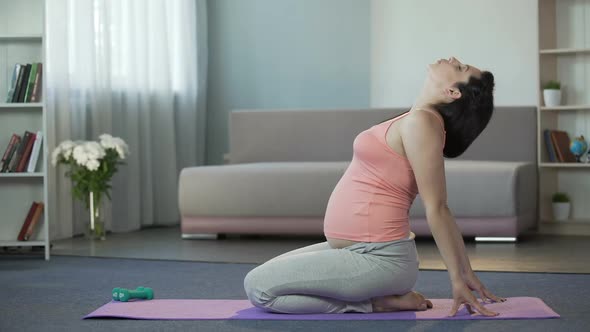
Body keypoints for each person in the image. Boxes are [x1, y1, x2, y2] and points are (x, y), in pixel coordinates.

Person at [243, 56, 505, 317]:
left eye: (459, 67)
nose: (453, 59)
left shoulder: (422, 124)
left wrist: (459, 277)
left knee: (259, 288)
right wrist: (465, 272)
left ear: (452, 92)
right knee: (266, 276)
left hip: (379, 259)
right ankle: (374, 295)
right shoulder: (415, 118)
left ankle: (374, 304)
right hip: (356, 252)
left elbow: (437, 207)